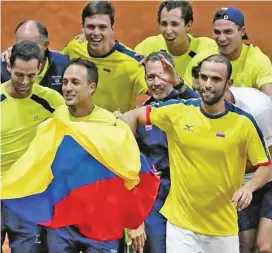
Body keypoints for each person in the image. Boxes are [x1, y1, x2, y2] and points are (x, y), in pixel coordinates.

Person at [117, 54, 272, 253]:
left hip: (222, 228)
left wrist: (249, 187)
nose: (207, 84)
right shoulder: (178, 111)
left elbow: (265, 165)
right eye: (204, 77)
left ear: (228, 84)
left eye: (215, 79)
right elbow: (131, 117)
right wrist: (134, 164)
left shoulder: (244, 122)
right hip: (181, 226)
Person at [48, 58, 146, 253]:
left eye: (75, 82)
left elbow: (130, 173)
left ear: (92, 87)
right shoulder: (56, 117)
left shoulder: (110, 123)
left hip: (102, 221)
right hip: (63, 221)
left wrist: (136, 220)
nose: (67, 88)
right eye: (65, 82)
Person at [1, 41, 64, 253]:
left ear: (39, 69)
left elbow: (80, 123)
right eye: (19, 74)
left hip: (26, 195)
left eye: (31, 75)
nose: (25, 82)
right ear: (9, 67)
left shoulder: (50, 100)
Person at [134, 51, 198, 253]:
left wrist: (179, 83)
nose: (156, 82)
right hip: (155, 193)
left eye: (161, 75)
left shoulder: (187, 103)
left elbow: (206, 108)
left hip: (187, 194)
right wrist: (144, 169)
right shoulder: (141, 113)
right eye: (150, 77)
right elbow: (131, 152)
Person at [61, 1, 147, 113]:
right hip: (78, 124)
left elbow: (158, 91)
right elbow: (54, 62)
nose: (96, 33)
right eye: (91, 27)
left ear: (112, 28)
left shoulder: (133, 63)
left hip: (111, 127)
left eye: (102, 27)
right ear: (83, 28)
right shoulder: (74, 47)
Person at [223, 87, 272, 253]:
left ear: (227, 83)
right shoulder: (198, 111)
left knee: (264, 246)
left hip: (268, 181)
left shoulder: (259, 109)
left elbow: (269, 159)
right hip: (239, 186)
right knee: (245, 246)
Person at [134, 0, 218, 87]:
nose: (168, 31)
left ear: (188, 26)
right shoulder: (148, 47)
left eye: (174, 24)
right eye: (164, 24)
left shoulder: (209, 49)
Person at [212, 7, 272, 97]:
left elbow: (269, 99)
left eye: (228, 32)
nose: (221, 38)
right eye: (217, 32)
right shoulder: (206, 56)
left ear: (242, 31)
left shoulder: (257, 60)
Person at [1, 20, 69, 94]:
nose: (27, 50)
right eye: (21, 44)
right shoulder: (2, 67)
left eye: (32, 46)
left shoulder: (64, 66)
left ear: (45, 45)